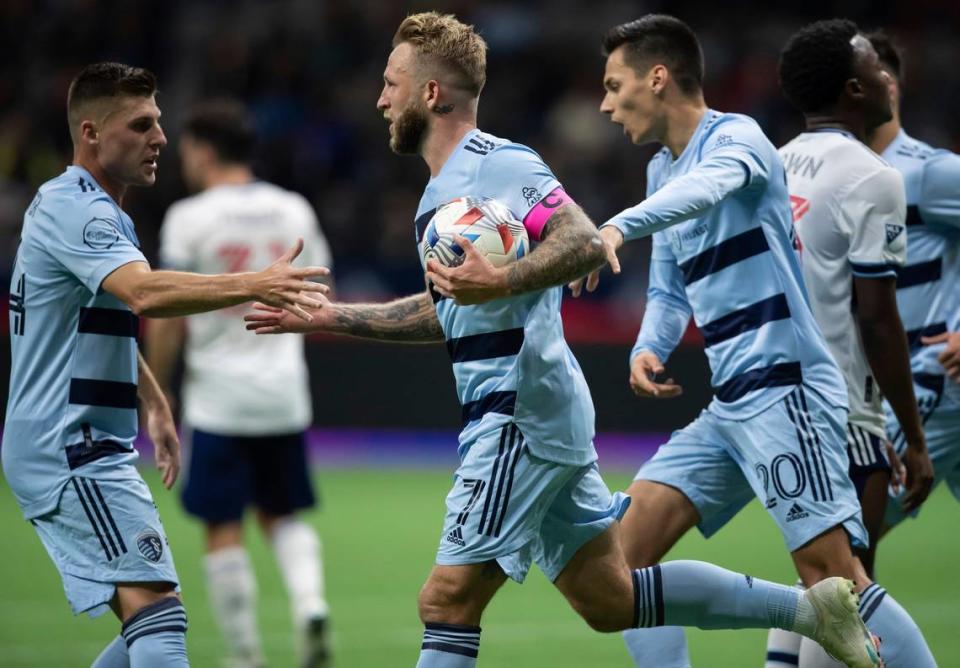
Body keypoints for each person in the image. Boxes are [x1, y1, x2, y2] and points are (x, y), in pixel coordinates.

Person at [246, 12, 881, 668]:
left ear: (431, 93)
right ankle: (810, 611)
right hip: (530, 412)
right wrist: (331, 318)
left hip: (519, 412)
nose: (380, 98)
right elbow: (449, 312)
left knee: (446, 600)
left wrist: (505, 280)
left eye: (391, 83)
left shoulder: (498, 165)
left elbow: (579, 238)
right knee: (608, 599)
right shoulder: (438, 196)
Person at [569, 14, 929, 668]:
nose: (604, 103)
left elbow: (707, 189)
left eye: (613, 84)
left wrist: (617, 226)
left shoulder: (738, 138)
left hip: (787, 389)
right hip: (731, 403)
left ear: (657, 78)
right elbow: (669, 288)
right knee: (621, 561)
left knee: (837, 578)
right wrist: (649, 344)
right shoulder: (660, 172)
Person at [2, 62, 328, 667]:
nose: (161, 138)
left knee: (152, 616)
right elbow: (145, 295)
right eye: (141, 124)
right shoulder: (81, 210)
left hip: (82, 440)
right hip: (68, 447)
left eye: (160, 122)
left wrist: (150, 398)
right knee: (158, 614)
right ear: (91, 133)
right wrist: (257, 281)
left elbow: (98, 319)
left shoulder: (90, 210)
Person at [763, 20, 937, 667]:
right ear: (855, 88)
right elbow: (877, 318)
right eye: (874, 65)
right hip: (839, 408)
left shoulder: (772, 164)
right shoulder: (874, 176)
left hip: (779, 407)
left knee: (821, 583)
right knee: (848, 591)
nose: (888, 75)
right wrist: (912, 437)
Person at [145, 100, 333, 668]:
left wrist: (160, 390)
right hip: (283, 394)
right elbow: (321, 292)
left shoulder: (189, 217)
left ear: (202, 150)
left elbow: (167, 312)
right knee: (283, 514)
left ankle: (246, 655)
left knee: (222, 525)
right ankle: (310, 604)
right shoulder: (293, 208)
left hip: (219, 398)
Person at [866, 30, 960, 534]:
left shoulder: (930, 173)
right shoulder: (838, 177)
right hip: (892, 388)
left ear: (884, 86)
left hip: (933, 382)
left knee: (840, 548)